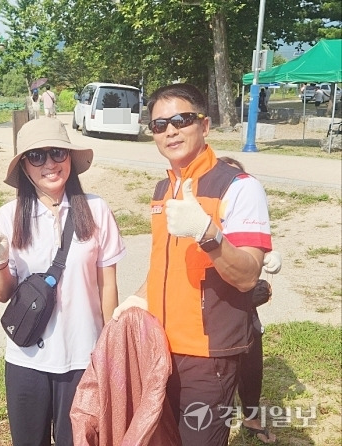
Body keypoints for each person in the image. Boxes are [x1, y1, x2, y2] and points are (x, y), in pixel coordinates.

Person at [113, 83, 272, 445]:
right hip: (159, 349)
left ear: (205, 125)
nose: (170, 130)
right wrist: (138, 298)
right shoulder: (162, 189)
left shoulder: (240, 187)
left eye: (181, 119)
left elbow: (248, 275)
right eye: (159, 124)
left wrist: (207, 233)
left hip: (208, 354)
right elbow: (163, 265)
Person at [0, 118, 126, 446]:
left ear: (70, 157)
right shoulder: (9, 216)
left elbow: (107, 286)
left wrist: (108, 351)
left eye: (57, 153)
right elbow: (2, 294)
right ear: (25, 167)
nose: (50, 164)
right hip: (27, 359)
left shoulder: (96, 210)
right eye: (37, 156)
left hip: (84, 358)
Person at [219, 156, 280, 445]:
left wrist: (270, 258)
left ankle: (251, 417)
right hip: (218, 310)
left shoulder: (246, 214)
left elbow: (254, 256)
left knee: (252, 366)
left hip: (247, 313)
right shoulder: (212, 220)